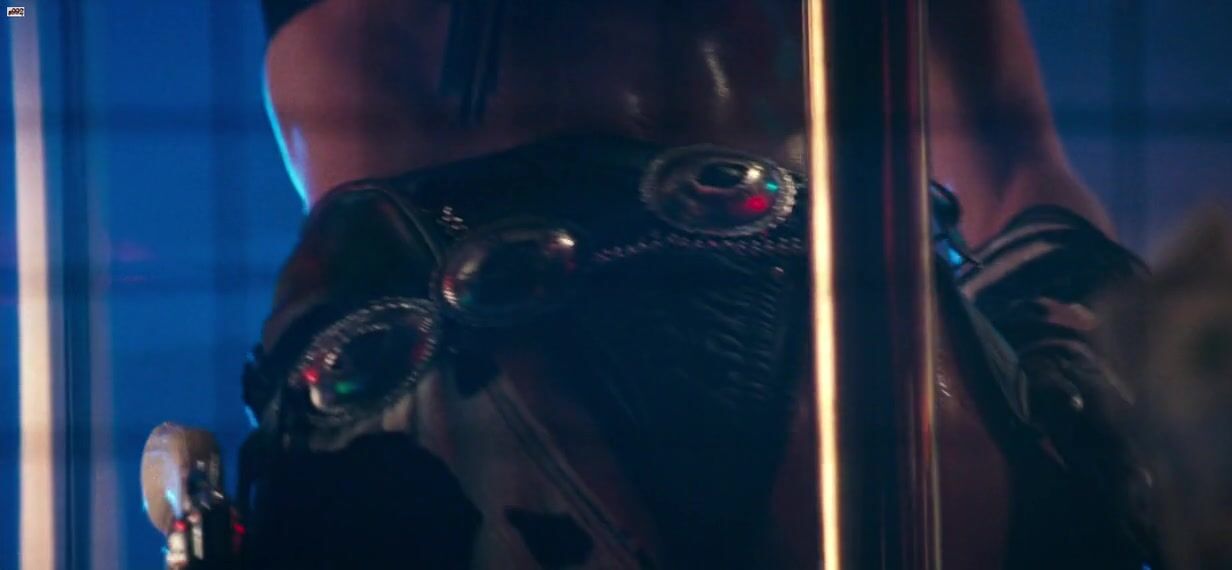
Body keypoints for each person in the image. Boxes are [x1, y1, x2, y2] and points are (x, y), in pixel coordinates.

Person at [240, 0, 1150, 567]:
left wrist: (1092, 358)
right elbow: (1012, 160)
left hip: (838, 325)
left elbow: (1009, 158)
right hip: (452, 340)